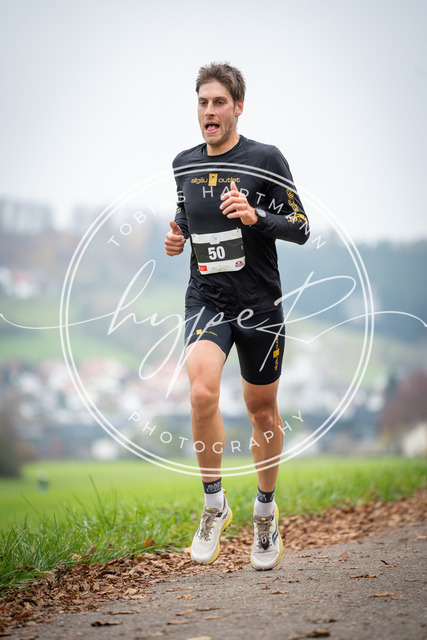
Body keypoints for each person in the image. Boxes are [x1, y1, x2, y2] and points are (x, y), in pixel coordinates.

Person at [164, 62, 309, 570]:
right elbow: (186, 215)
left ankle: (265, 513)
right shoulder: (184, 163)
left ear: (238, 107)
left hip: (260, 304)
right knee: (201, 392)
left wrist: (256, 216)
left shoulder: (265, 159)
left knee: (262, 411)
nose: (209, 110)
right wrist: (178, 235)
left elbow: (300, 226)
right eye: (203, 102)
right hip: (206, 298)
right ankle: (214, 505)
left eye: (219, 102)